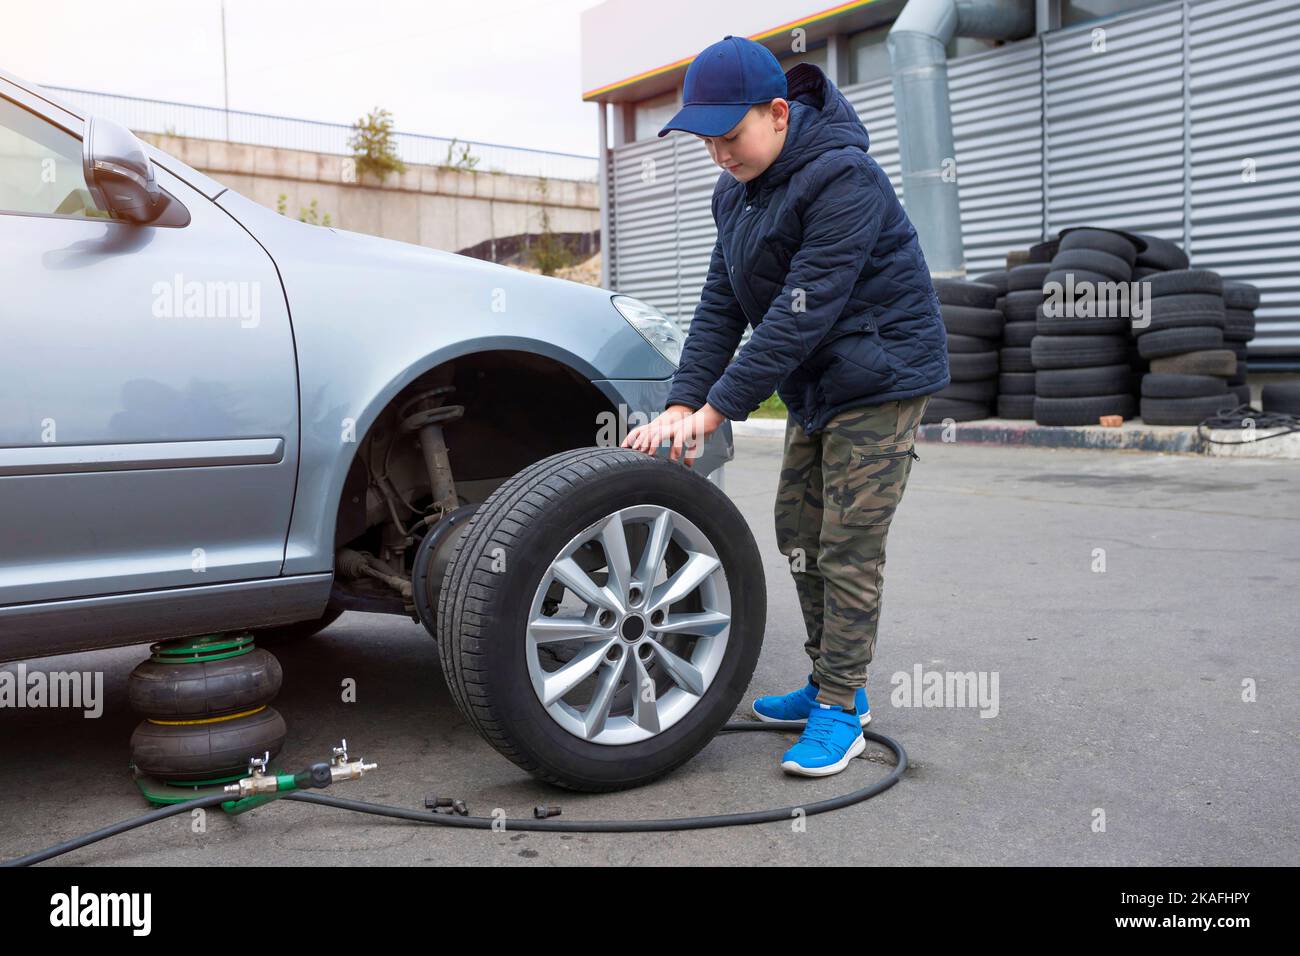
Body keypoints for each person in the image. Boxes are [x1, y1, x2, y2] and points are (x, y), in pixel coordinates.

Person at [621, 35, 950, 777]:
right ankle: (829, 680)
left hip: (882, 378)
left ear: (777, 113)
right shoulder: (733, 192)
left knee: (848, 543)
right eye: (707, 142)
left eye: (730, 137)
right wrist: (684, 400)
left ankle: (843, 708)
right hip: (818, 382)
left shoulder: (845, 178)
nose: (720, 155)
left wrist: (722, 408)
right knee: (797, 527)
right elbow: (720, 308)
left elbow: (801, 312)